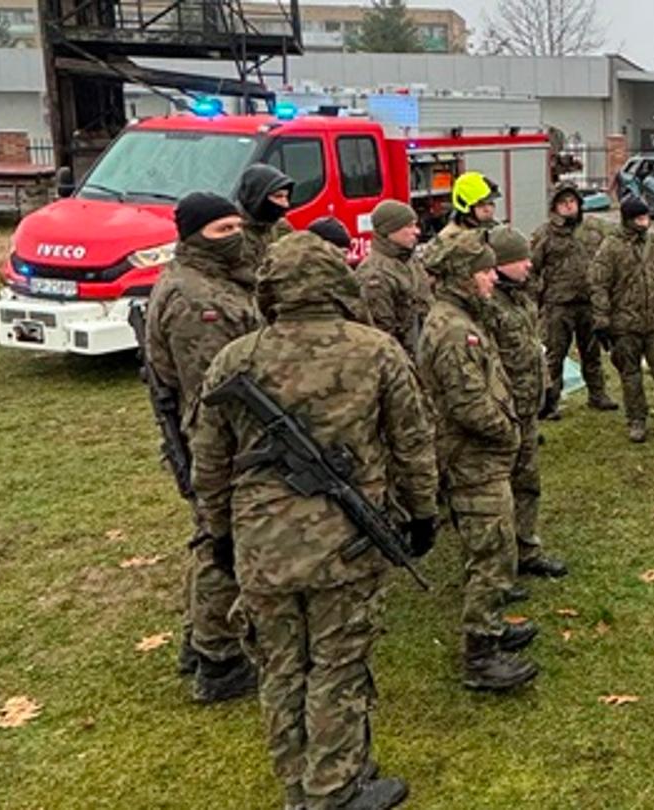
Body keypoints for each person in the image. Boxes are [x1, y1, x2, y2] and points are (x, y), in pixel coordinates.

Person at [190, 231, 435, 810]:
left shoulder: (238, 356)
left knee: (281, 668)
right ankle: (334, 789)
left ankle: (299, 785)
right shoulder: (376, 351)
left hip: (262, 545)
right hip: (346, 546)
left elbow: (209, 460)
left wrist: (220, 533)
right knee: (338, 666)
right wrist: (422, 514)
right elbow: (413, 445)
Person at [143, 191, 262, 703]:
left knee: (212, 537)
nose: (234, 237)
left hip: (217, 434)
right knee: (223, 541)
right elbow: (219, 386)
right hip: (223, 439)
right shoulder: (198, 300)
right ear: (192, 235)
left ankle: (199, 638)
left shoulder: (211, 281)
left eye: (237, 226)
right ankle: (219, 660)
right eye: (221, 230)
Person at [415, 229, 539, 692]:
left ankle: (491, 627)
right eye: (484, 271)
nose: (491, 278)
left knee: (497, 543)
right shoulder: (452, 329)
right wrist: (509, 432)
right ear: (462, 278)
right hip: (472, 457)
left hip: (482, 455)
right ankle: (481, 654)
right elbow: (468, 404)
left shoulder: (465, 317)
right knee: (489, 550)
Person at [486, 225, 568, 580]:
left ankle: (526, 548)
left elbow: (534, 349)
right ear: (501, 264)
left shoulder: (521, 298)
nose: (528, 266)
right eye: (520, 260)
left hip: (528, 405)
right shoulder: (488, 307)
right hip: (503, 411)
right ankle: (499, 565)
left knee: (528, 481)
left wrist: (547, 387)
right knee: (498, 493)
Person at [589, 196, 654, 443]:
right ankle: (637, 420)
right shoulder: (610, 248)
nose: (644, 222)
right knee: (631, 374)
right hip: (625, 325)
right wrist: (602, 321)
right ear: (628, 220)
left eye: (646, 217)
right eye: (639, 218)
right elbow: (599, 285)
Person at [533, 182, 618, 418]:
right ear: (555, 207)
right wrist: (535, 301)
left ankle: (598, 394)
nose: (568, 206)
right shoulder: (544, 234)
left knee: (592, 353)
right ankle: (550, 402)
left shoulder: (594, 229)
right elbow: (532, 269)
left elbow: (607, 261)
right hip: (557, 305)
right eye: (563, 203)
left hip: (588, 303)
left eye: (572, 202)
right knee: (554, 356)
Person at [356, 200, 432, 355]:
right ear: (390, 230)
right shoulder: (374, 275)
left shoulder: (409, 261)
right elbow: (382, 335)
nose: (416, 231)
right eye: (409, 226)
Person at [236, 163, 297, 270]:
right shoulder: (233, 233)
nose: (285, 204)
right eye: (278, 196)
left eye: (286, 197)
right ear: (258, 197)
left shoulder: (280, 227)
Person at [441, 171, 499, 241]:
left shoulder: (495, 228)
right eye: (480, 205)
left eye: (490, 203)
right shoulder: (451, 238)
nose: (488, 209)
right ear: (465, 207)